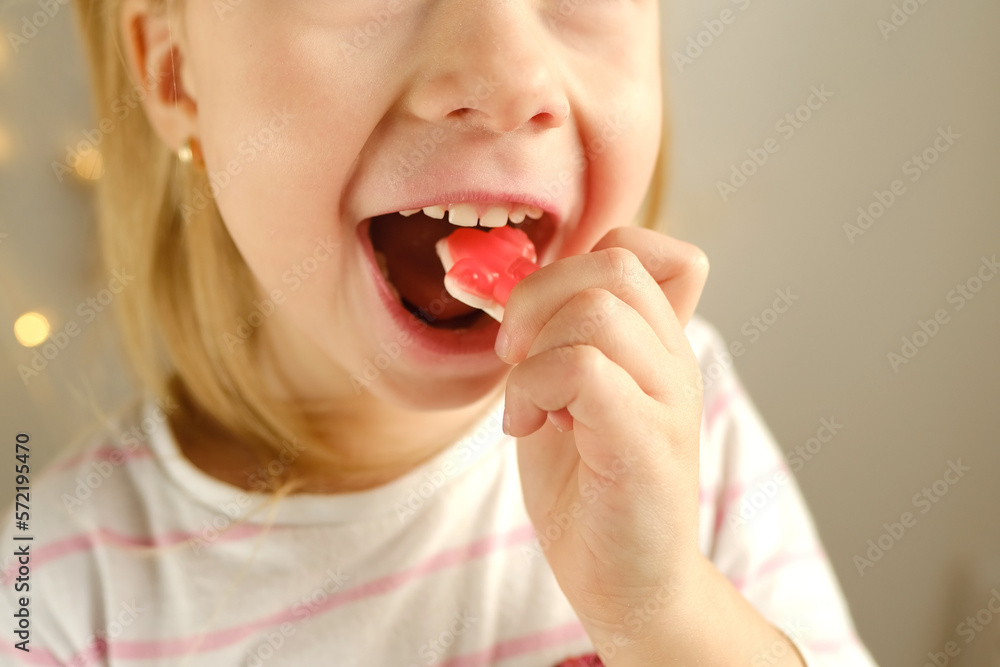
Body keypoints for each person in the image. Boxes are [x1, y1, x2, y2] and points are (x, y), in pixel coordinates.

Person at [1, 0, 879, 664]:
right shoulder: (53, 593)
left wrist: (664, 610)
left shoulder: (679, 412)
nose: (508, 80)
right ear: (174, 71)